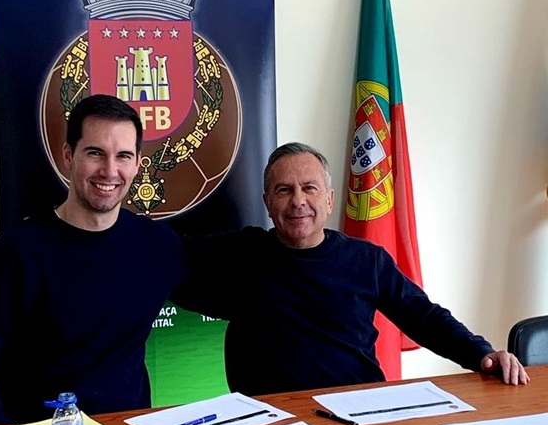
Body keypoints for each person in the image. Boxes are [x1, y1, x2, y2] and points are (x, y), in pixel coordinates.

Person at [174, 142, 529, 396]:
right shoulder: (242, 253)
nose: (298, 201)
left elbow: (424, 317)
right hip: (270, 419)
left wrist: (481, 353)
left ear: (328, 199)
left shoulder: (366, 261)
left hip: (358, 410)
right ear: (268, 204)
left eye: (309, 188)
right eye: (284, 190)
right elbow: (162, 257)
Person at [0, 94, 185, 425]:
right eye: (95, 153)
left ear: (137, 164)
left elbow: (237, 286)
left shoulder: (159, 246)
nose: (110, 170)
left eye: (123, 156)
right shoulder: (16, 252)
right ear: (68, 156)